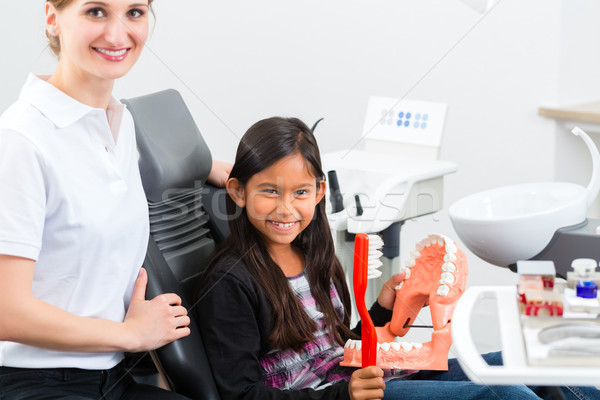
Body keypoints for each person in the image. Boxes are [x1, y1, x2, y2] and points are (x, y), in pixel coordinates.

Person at [195, 116, 600, 400]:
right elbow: (241, 394)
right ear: (237, 192)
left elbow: (341, 348)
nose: (285, 209)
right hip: (336, 395)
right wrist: (343, 395)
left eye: (299, 193)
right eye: (269, 191)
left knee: (532, 364)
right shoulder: (231, 281)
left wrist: (383, 310)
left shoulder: (314, 255)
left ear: (318, 193)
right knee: (500, 392)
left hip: (359, 379)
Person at [0, 1, 228, 399]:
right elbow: (6, 310)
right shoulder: (20, 141)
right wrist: (130, 334)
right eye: (96, 11)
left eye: (134, 12)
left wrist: (214, 167)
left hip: (116, 375)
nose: (118, 34)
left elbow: (96, 188)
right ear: (53, 19)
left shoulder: (115, 122)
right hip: (34, 381)